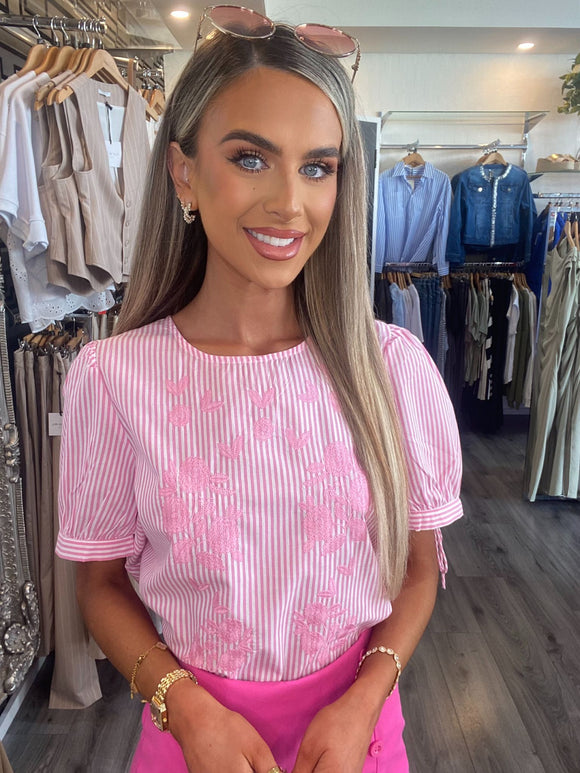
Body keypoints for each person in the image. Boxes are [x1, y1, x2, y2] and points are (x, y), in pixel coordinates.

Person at [56, 8, 463, 773]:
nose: (289, 203)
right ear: (184, 171)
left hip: (355, 736)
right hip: (193, 737)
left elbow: (418, 569)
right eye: (251, 158)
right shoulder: (114, 379)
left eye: (317, 167)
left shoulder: (392, 368)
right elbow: (101, 583)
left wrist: (364, 699)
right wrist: (187, 706)